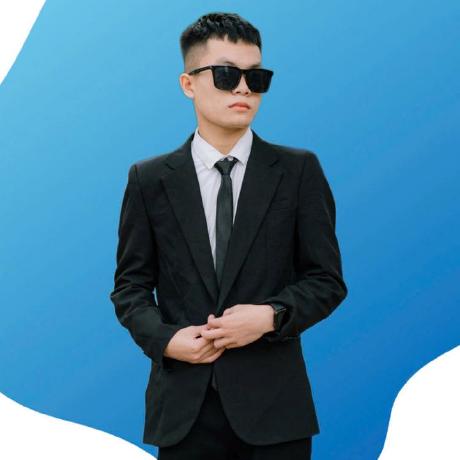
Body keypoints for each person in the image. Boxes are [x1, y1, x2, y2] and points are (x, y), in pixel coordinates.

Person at [109, 11, 347, 460]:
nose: (243, 89)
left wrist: (271, 316)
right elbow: (130, 287)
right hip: (184, 412)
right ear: (188, 83)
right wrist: (166, 340)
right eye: (226, 74)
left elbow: (326, 280)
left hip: (276, 412)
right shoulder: (149, 179)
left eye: (256, 77)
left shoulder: (298, 171)